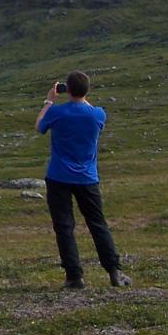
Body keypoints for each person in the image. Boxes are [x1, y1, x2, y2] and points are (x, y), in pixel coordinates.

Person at [36, 71, 132, 289]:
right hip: (87, 177)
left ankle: (74, 276)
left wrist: (49, 101)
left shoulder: (57, 112)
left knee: (64, 227)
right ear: (87, 90)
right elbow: (88, 112)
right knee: (98, 224)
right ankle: (114, 271)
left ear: (67, 90)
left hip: (59, 176)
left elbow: (39, 126)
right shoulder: (98, 114)